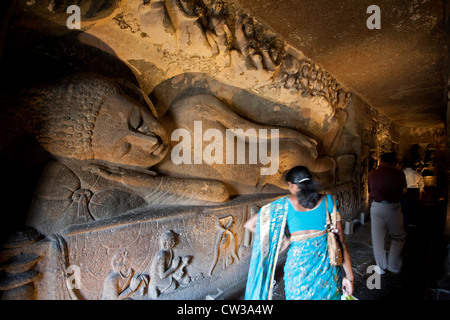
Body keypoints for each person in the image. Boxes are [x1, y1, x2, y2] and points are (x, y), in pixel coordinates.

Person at [244, 166, 354, 300]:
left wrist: (282, 239)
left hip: (298, 270)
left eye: (289, 186)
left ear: (292, 185)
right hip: (326, 268)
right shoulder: (329, 200)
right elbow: (342, 242)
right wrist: (349, 277)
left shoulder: (283, 204)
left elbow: (250, 225)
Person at [368, 152, 407, 275]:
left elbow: (369, 190)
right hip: (392, 206)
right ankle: (393, 265)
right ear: (393, 162)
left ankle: (381, 267)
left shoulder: (372, 174)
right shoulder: (398, 174)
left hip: (376, 206)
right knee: (398, 236)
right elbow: (404, 190)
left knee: (378, 238)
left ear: (380, 161)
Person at [403, 161, 424, 227]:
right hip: (415, 190)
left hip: (406, 190)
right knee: (414, 206)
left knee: (405, 206)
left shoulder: (403, 172)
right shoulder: (417, 173)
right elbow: (421, 184)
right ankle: (413, 222)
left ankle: (405, 222)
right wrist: (419, 191)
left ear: (405, 166)